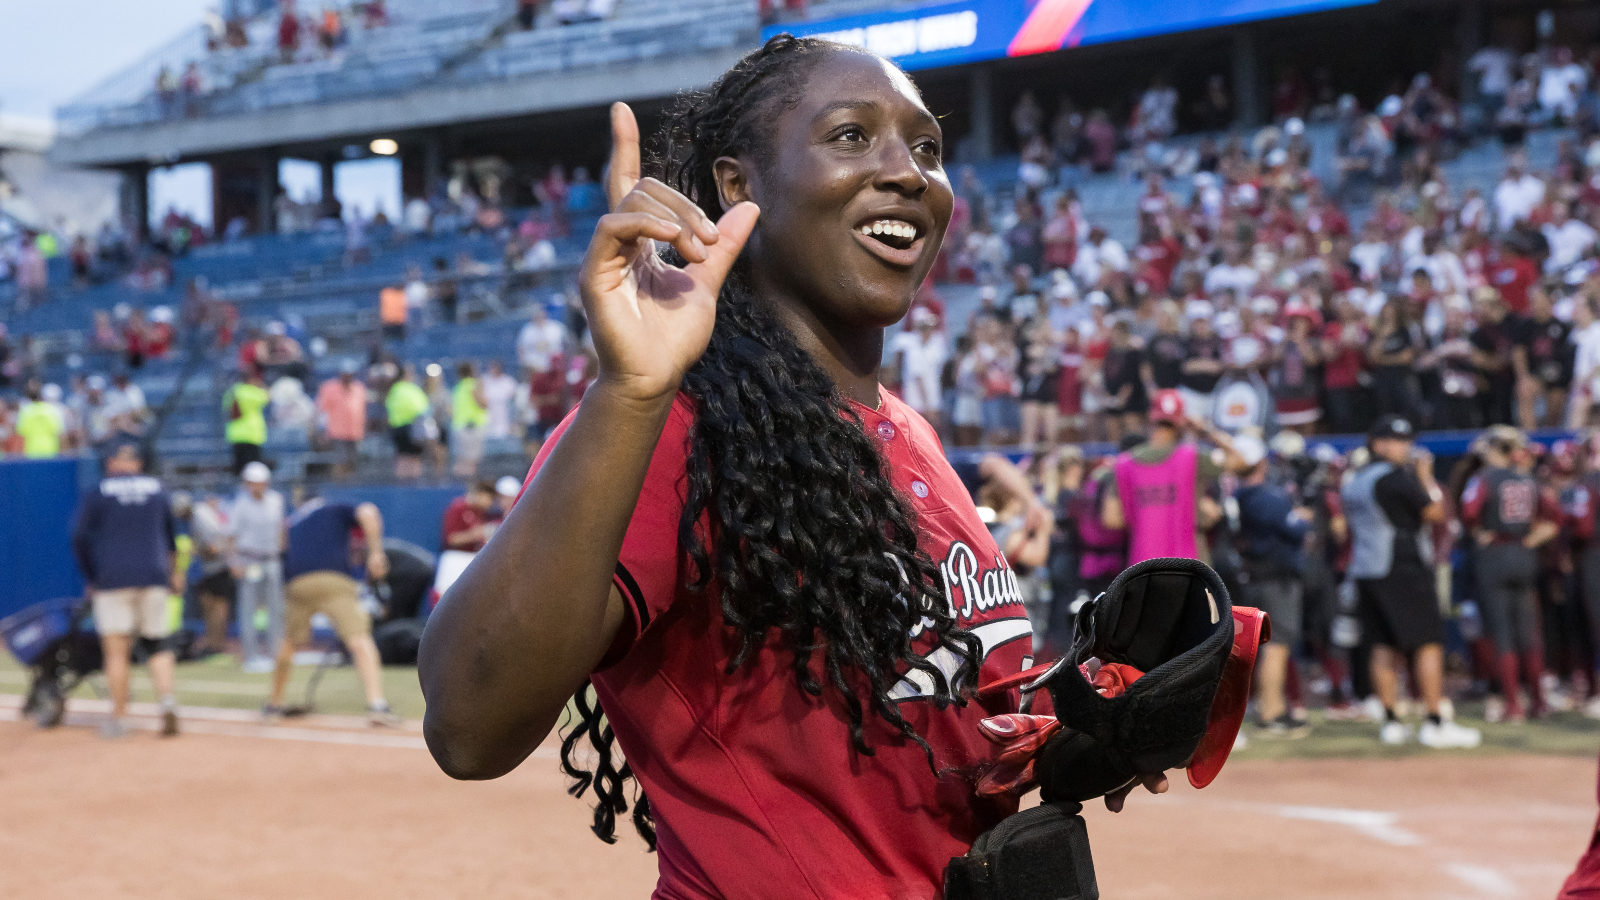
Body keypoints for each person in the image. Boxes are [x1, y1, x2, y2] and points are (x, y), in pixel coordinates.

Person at [419, 39, 1166, 900]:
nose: (908, 172)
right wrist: (630, 391)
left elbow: (948, 742)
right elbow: (468, 727)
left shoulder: (910, 435)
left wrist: (1090, 729)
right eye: (852, 137)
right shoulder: (675, 425)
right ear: (739, 188)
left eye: (927, 148)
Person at [1341, 415, 1480, 748]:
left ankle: (1391, 721)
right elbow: (1435, 512)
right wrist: (1426, 477)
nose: (1404, 448)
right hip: (1403, 567)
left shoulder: (1355, 479)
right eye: (1397, 441)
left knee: (1382, 644)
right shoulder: (1396, 478)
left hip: (1366, 567)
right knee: (1428, 641)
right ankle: (1434, 719)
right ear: (1379, 443)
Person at [71, 443, 182, 738]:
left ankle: (120, 719)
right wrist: (174, 574)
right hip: (154, 576)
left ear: (111, 463)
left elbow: (78, 536)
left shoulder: (99, 491)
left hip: (113, 578)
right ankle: (168, 701)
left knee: (117, 650)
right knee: (158, 644)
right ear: (139, 463)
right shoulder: (158, 490)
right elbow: (172, 538)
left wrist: (91, 575)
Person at [266, 496, 402, 726]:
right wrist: (376, 553)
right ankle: (377, 705)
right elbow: (368, 511)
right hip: (335, 580)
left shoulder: (292, 522)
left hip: (296, 584)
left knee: (288, 643)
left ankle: (274, 704)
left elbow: (281, 548)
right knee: (359, 640)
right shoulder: (334, 507)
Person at [1460, 427, 1560, 721]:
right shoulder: (1528, 480)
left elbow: (1469, 511)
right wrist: (1531, 539)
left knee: (1502, 632)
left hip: (1495, 555)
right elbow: (1553, 517)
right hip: (1524, 555)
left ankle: (1513, 704)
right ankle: (1539, 702)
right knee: (1529, 631)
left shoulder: (1484, 479)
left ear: (1494, 451)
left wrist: (1480, 532)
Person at [1231, 435, 1313, 736]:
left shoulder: (1237, 496)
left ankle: (1273, 708)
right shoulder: (1265, 498)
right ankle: (1271, 712)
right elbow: (1296, 528)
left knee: (1267, 645)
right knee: (1276, 646)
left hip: (1255, 574)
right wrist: (1304, 517)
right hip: (1275, 577)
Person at [1102, 389, 1238, 565]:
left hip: (1143, 568)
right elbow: (1239, 460)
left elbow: (1111, 519)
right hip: (1189, 568)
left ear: (1151, 419)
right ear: (1182, 422)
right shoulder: (1194, 457)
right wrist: (1204, 429)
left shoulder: (1123, 464)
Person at [231, 461, 286, 673]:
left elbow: (281, 529)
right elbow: (231, 536)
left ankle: (275, 653)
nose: (258, 487)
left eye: (261, 483)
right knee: (248, 608)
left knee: (276, 608)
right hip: (250, 559)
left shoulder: (276, 501)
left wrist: (281, 552)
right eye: (254, 483)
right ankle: (251, 655)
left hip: (272, 559)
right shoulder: (240, 505)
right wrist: (234, 561)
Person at [187, 491, 236, 656]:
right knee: (210, 605)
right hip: (211, 569)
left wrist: (204, 550)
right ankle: (213, 643)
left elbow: (216, 547)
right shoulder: (209, 516)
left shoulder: (206, 516)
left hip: (218, 568)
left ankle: (217, 645)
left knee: (218, 606)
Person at [316, 360, 368, 478]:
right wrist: (322, 430)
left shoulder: (359, 388)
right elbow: (322, 410)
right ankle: (339, 487)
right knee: (340, 460)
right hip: (337, 432)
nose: (348, 376)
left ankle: (349, 487)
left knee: (352, 462)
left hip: (355, 432)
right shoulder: (329, 387)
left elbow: (362, 411)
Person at [386, 364, 431, 480]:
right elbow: (421, 409)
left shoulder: (394, 389)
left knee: (401, 457)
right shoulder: (411, 389)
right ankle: (413, 488)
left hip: (396, 428)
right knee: (415, 459)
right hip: (412, 428)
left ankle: (401, 484)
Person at [223, 368, 270, 476]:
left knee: (240, 470)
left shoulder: (231, 392)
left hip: (235, 435)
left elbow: (226, 408)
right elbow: (267, 396)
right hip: (251, 435)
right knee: (254, 470)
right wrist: (260, 384)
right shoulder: (250, 392)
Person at [450, 361, 489, 478]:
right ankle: (466, 488)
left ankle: (457, 487)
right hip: (471, 427)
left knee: (461, 460)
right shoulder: (473, 385)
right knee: (471, 462)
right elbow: (482, 404)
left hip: (459, 426)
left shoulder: (457, 387)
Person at [17, 381, 65, 458]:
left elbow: (21, 433)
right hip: (50, 450)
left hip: (32, 450)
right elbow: (59, 432)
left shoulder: (25, 411)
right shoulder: (52, 410)